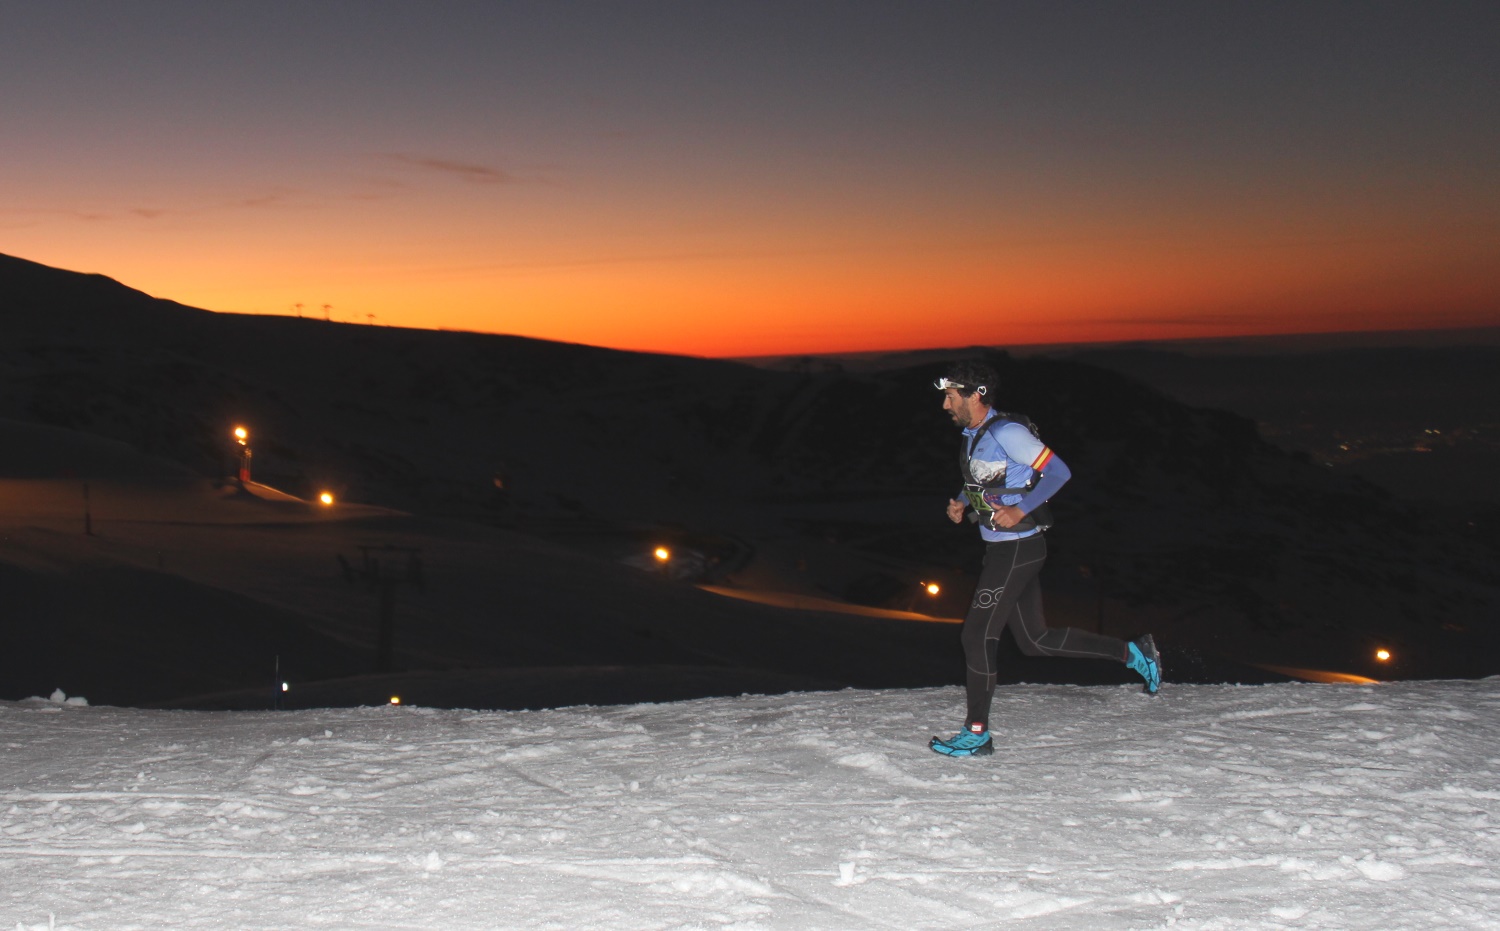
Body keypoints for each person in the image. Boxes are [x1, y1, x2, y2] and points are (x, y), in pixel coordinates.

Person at [929, 361, 1161, 758]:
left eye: (951, 396)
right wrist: (962, 503)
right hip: (1002, 547)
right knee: (1036, 641)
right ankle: (1134, 653)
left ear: (975, 395)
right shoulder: (973, 434)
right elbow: (984, 480)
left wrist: (1020, 511)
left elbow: (1059, 473)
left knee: (976, 635)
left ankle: (977, 733)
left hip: (1018, 546)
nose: (945, 405)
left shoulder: (1008, 432)